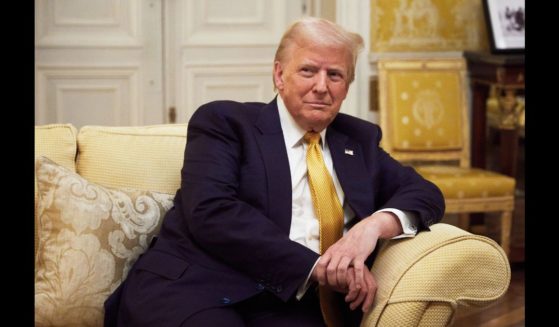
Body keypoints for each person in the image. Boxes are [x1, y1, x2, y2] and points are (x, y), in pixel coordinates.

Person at [104, 17, 444, 326]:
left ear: (347, 86)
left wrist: (370, 228)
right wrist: (319, 269)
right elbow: (211, 212)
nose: (322, 86)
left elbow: (426, 194)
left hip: (287, 304)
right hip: (196, 287)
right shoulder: (226, 123)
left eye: (335, 75)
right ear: (279, 75)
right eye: (308, 71)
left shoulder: (358, 140)